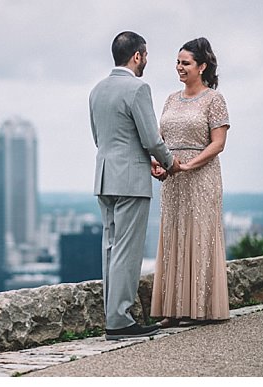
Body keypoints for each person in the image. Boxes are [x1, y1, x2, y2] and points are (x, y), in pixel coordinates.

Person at [89, 31, 180, 340]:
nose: (146, 62)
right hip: (130, 181)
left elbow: (99, 138)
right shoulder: (138, 88)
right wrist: (169, 162)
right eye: (145, 56)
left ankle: (112, 316)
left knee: (111, 248)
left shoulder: (97, 90)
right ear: (137, 55)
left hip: (105, 177)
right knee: (127, 251)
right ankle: (120, 320)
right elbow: (150, 138)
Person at [150, 37, 231, 327]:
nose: (179, 68)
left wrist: (187, 166)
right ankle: (171, 310)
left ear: (202, 66)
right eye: (178, 62)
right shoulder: (171, 99)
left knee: (199, 234)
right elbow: (159, 139)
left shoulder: (214, 99)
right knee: (173, 235)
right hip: (173, 178)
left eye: (185, 63)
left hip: (201, 176)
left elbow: (218, 144)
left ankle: (200, 308)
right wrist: (157, 164)